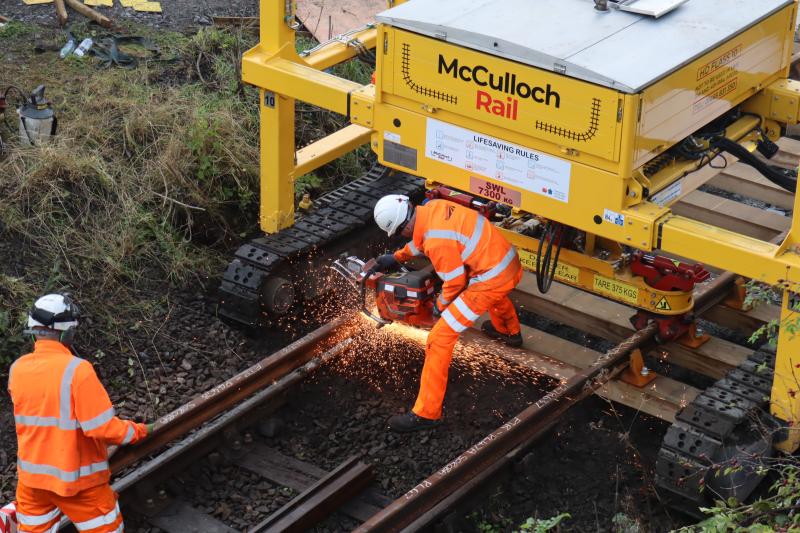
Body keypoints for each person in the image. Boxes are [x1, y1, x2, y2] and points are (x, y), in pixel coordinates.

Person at [372, 195, 524, 432]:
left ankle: (426, 413)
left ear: (404, 225)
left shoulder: (437, 241)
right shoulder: (432, 209)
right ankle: (509, 332)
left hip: (491, 278)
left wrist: (439, 307)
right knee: (487, 285)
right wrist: (397, 256)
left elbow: (454, 281)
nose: (403, 237)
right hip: (505, 262)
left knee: (439, 338)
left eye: (400, 233)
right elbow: (423, 239)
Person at [7, 293, 153, 533]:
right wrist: (138, 431)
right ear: (67, 332)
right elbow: (103, 428)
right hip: (77, 484)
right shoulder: (77, 370)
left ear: (32, 330)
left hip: (32, 483)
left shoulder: (17, 369)